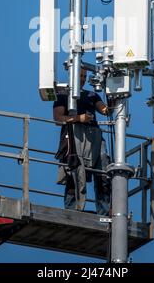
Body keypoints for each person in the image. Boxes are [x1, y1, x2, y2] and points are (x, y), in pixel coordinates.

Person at [53, 68, 111, 215]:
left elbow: (105, 110)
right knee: (74, 172)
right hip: (74, 135)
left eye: (85, 76)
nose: (83, 78)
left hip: (94, 136)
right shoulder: (63, 94)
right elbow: (58, 119)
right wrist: (79, 118)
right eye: (80, 75)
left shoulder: (92, 95)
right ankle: (72, 211)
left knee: (103, 171)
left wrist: (114, 96)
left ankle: (103, 211)